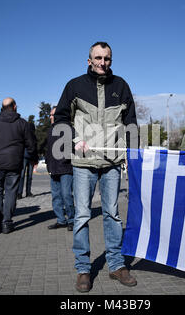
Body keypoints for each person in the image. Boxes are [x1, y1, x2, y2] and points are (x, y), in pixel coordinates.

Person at [54, 41, 138, 293]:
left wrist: (131, 154)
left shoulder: (121, 85)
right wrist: (74, 140)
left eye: (107, 58)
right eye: (98, 58)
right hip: (83, 163)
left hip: (112, 163)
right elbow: (61, 117)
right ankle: (83, 269)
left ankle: (116, 264)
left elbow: (130, 120)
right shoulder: (74, 86)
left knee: (112, 214)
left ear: (111, 60)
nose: (103, 63)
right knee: (82, 215)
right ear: (89, 60)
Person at [0, 98, 38, 234]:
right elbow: (31, 145)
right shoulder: (22, 123)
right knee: (11, 192)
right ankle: (7, 223)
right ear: (15, 106)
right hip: (14, 162)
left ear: (2, 107)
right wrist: (33, 159)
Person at [46, 106, 75, 231]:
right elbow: (48, 150)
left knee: (66, 195)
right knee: (56, 196)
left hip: (66, 168)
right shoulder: (50, 130)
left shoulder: (69, 128)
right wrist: (48, 164)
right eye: (50, 115)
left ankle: (72, 219)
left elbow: (73, 147)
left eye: (53, 115)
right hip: (53, 168)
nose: (51, 117)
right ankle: (60, 220)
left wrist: (66, 160)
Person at [18, 120, 37, 199]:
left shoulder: (28, 136)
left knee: (24, 176)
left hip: (27, 157)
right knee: (27, 176)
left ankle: (22, 192)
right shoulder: (27, 136)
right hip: (27, 157)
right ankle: (24, 192)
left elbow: (36, 149)